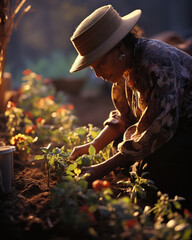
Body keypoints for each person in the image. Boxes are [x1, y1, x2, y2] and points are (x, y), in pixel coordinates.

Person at [69, 5, 192, 208]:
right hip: (169, 129)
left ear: (118, 47)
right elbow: (123, 115)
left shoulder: (158, 62)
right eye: (93, 68)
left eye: (100, 64)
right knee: (123, 145)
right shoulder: (124, 67)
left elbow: (159, 129)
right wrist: (94, 146)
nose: (98, 74)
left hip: (183, 128)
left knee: (157, 164)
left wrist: (101, 169)